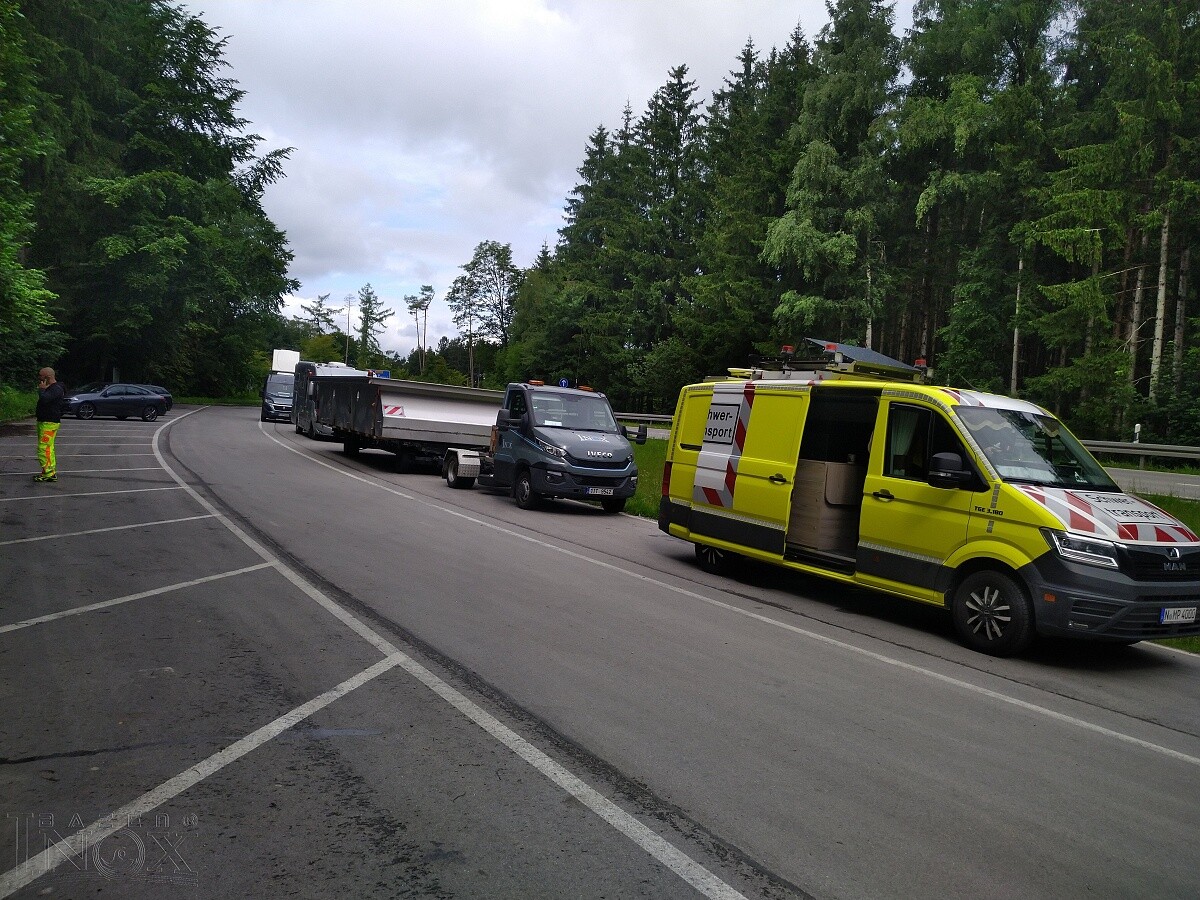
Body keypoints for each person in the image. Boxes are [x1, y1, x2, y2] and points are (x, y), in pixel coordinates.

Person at [35, 367, 65, 483]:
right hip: (45, 421)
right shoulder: (52, 388)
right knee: (48, 448)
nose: (39, 378)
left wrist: (42, 390)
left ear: (47, 377)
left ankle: (48, 473)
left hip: (49, 422)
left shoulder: (56, 389)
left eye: (41, 376)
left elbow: (45, 399)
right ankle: (49, 471)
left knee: (44, 448)